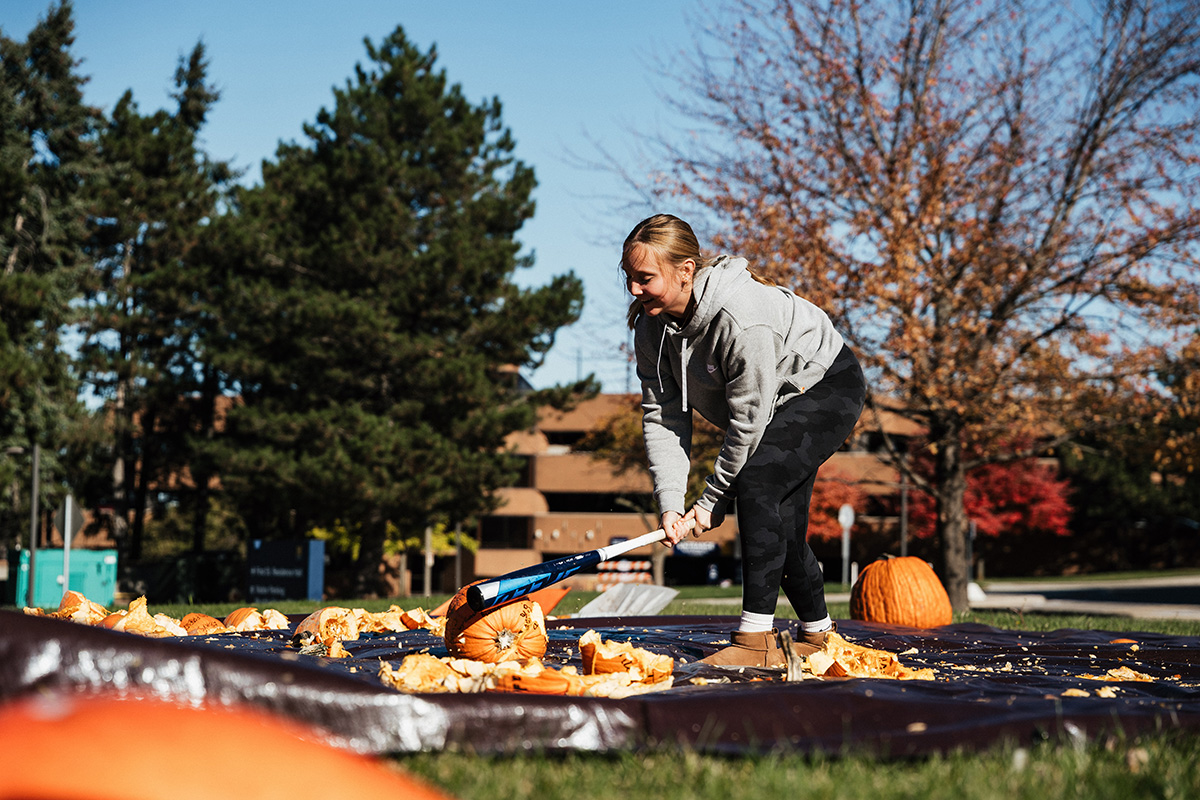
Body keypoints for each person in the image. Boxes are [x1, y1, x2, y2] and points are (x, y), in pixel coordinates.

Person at [623, 213, 866, 667]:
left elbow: (748, 423)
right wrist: (672, 502)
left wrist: (711, 501)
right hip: (770, 408)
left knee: (756, 486)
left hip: (826, 384)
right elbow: (663, 417)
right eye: (629, 278)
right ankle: (820, 636)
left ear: (686, 270)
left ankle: (755, 641)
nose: (635, 289)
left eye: (645, 278)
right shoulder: (651, 328)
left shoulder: (740, 317)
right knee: (780, 525)